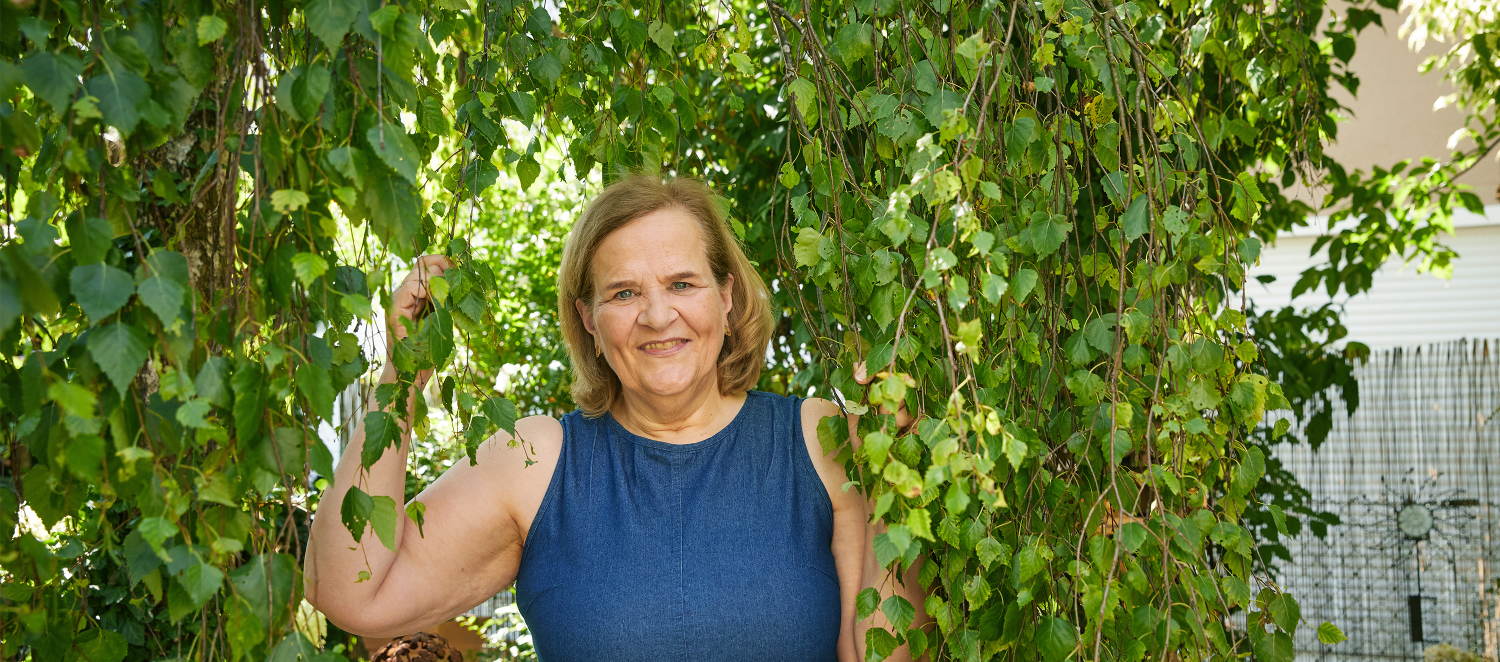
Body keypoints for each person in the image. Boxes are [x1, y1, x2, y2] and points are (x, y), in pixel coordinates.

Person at [304, 176, 925, 661]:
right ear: (588, 322)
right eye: (624, 293)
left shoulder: (819, 443)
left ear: (729, 297)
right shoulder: (537, 463)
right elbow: (351, 590)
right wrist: (403, 372)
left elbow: (882, 654)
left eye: (683, 283)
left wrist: (898, 480)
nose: (657, 316)